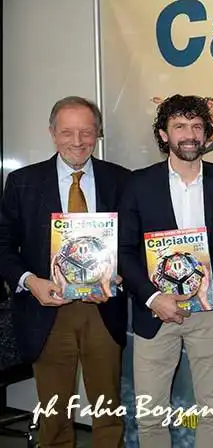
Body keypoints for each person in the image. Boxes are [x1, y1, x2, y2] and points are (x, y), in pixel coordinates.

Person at [0, 96, 130, 447]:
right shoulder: (23, 182)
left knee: (108, 412)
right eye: (67, 132)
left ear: (98, 133)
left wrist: (120, 273)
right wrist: (30, 282)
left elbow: (133, 242)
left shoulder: (120, 180)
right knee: (54, 416)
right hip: (47, 310)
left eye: (86, 132)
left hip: (103, 310)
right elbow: (3, 245)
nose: (78, 141)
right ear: (52, 133)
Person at [119, 95, 213, 448]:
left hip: (210, 312)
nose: (190, 134)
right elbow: (123, 250)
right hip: (155, 311)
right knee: (150, 414)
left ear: (207, 133)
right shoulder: (138, 184)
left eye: (197, 126)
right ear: (163, 134)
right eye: (180, 126)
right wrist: (153, 297)